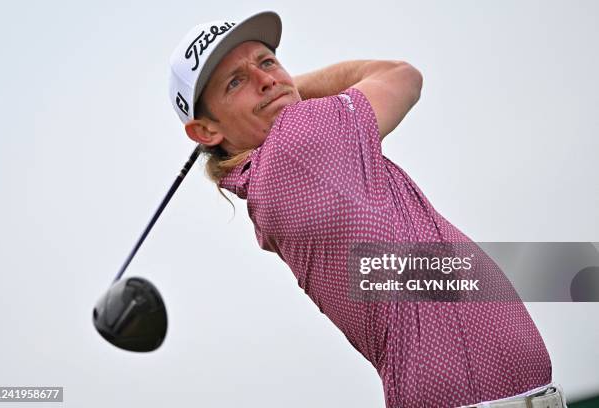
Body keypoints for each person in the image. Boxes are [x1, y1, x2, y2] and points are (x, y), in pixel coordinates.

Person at [168, 11, 568, 408]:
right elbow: (401, 75)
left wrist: (270, 93)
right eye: (236, 81)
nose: (266, 79)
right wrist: (287, 89)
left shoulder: (277, 170)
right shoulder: (297, 140)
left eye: (267, 62)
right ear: (205, 131)